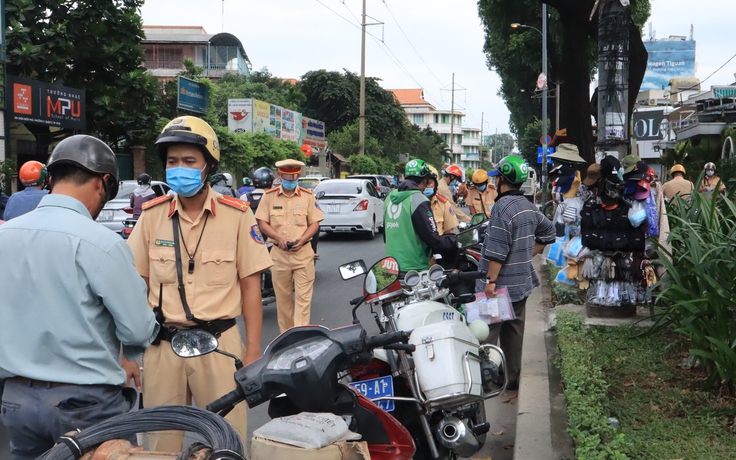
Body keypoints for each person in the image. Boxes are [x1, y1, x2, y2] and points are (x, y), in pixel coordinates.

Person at [0, 135, 159, 460]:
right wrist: (129, 350)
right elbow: (138, 330)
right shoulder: (102, 244)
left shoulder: (5, 236)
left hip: (17, 401)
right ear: (104, 183)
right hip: (87, 407)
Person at [127, 116, 272, 451]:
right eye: (173, 162)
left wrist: (252, 351)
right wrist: (128, 354)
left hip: (219, 346)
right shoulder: (151, 216)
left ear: (208, 165)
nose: (181, 168)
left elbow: (251, 287)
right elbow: (135, 286)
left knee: (227, 441)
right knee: (159, 446)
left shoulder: (238, 216)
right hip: (162, 348)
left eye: (190, 161)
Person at [477, 156, 555, 391]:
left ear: (502, 179)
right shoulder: (528, 207)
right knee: (514, 333)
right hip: (520, 283)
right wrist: (526, 254)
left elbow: (497, 251)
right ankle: (512, 378)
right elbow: (549, 231)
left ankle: (487, 382)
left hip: (498, 287)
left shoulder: (502, 207)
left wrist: (490, 282)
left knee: (487, 333)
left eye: (497, 177)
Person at [255, 159, 323, 333]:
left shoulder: (308, 196)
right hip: (279, 255)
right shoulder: (269, 197)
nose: (291, 180)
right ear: (280, 175)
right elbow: (262, 223)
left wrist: (302, 239)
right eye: (288, 176)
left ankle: (299, 335)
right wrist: (277, 237)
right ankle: (286, 336)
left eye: (295, 177)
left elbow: (315, 223)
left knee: (303, 300)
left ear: (299, 176)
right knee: (283, 301)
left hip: (303, 254)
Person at [384, 159, 458, 274]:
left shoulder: (389, 198)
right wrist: (453, 243)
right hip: (414, 268)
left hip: (391, 265)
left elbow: (385, 235)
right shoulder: (418, 199)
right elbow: (432, 238)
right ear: (425, 179)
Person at [427, 165, 459, 235]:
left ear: (435, 184)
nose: (424, 186)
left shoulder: (444, 203)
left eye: (428, 183)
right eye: (420, 183)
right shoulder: (409, 202)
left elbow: (449, 232)